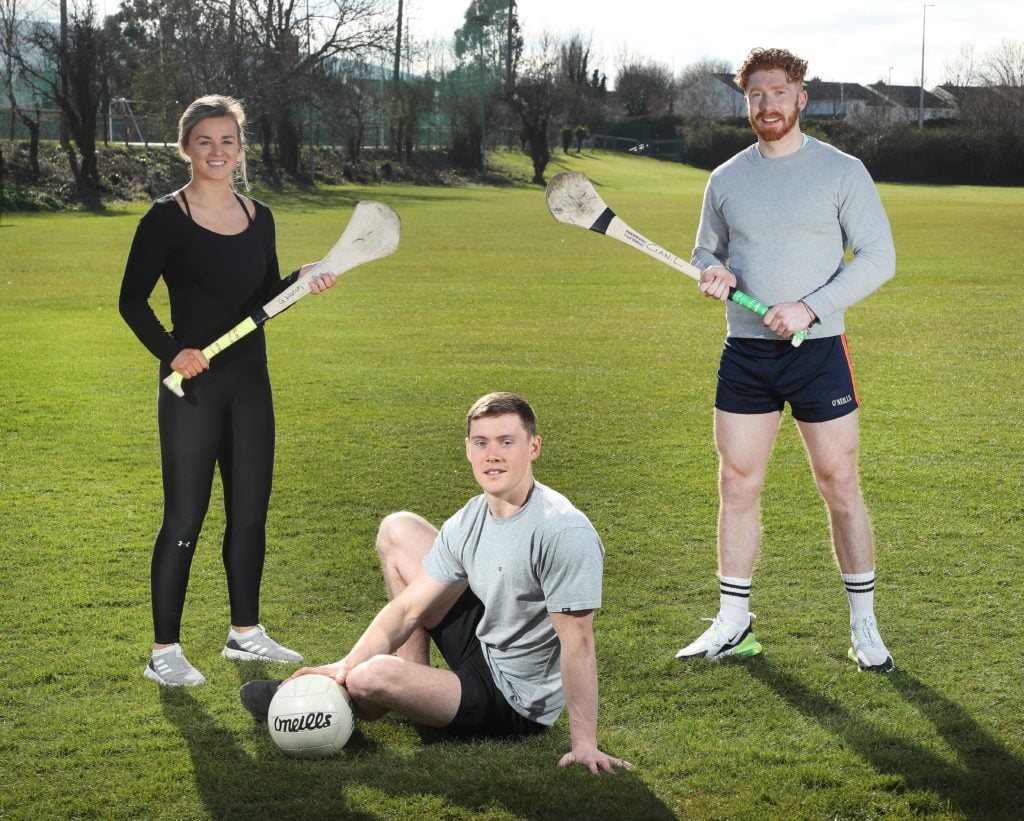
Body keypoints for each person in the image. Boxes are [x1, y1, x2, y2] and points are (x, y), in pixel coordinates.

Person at [240, 392, 633, 773]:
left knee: (370, 675)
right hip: (483, 641)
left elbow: (578, 642)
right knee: (399, 529)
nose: (492, 454)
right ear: (468, 449)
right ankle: (417, 693)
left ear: (534, 447)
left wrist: (584, 743)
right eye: (481, 442)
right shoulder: (472, 516)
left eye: (506, 442)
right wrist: (345, 662)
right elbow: (409, 607)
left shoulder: (562, 530)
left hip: (513, 699)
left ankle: (358, 696)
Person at [676, 48, 897, 672]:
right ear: (745, 102)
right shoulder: (725, 179)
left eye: (778, 92)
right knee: (736, 484)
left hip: (818, 353)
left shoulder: (841, 171)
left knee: (840, 484)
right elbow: (704, 252)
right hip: (746, 352)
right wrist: (711, 270)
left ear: (801, 98)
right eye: (755, 95)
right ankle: (733, 623)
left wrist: (809, 307)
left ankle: (864, 625)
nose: (767, 105)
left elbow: (879, 259)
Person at [119, 94, 336, 686]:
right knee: (185, 516)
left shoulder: (259, 215)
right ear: (186, 146)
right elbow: (130, 300)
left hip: (250, 384)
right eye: (206, 141)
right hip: (193, 387)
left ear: (240, 149)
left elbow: (262, 302)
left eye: (228, 141)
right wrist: (173, 351)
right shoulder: (166, 217)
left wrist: (301, 281)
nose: (218, 152)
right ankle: (163, 651)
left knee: (249, 515)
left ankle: (245, 634)